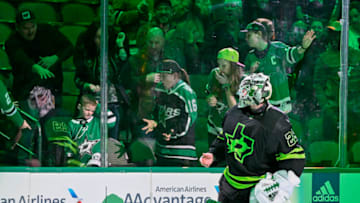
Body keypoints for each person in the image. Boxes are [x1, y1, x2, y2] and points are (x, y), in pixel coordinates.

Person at [200, 73, 306, 202]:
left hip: (259, 187)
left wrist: (281, 184)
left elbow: (294, 155)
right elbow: (225, 138)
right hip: (230, 185)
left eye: (249, 90)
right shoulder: (233, 113)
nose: (244, 94)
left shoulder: (277, 120)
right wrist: (214, 154)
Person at [5, 9, 73, 110]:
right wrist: (37, 68)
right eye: (25, 28)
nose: (30, 31)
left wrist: (55, 57)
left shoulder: (47, 31)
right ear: (17, 28)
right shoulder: (11, 41)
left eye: (33, 26)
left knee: (52, 121)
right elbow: (20, 58)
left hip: (52, 88)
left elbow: (69, 47)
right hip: (25, 90)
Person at [73, 22, 131, 140]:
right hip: (91, 103)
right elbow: (77, 79)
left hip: (112, 102)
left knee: (112, 139)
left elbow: (124, 62)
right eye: (98, 37)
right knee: (90, 140)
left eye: (105, 37)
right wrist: (88, 85)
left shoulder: (114, 53)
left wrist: (120, 45)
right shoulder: (86, 56)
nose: (102, 41)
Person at [243, 21, 316, 113]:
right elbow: (245, 83)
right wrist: (251, 72)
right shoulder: (250, 57)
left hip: (282, 104)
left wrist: (303, 47)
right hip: (262, 105)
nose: (246, 38)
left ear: (259, 34)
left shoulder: (277, 48)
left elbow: (293, 55)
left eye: (249, 35)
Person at [142, 59, 198, 166]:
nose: (161, 80)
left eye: (164, 76)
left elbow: (189, 119)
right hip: (162, 150)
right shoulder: (159, 89)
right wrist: (154, 122)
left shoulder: (186, 92)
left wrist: (173, 132)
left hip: (182, 152)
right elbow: (157, 112)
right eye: (160, 76)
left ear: (175, 76)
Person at [206, 48, 244, 148]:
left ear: (233, 66)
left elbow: (235, 109)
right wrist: (210, 98)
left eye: (224, 66)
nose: (220, 69)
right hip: (214, 126)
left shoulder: (243, 80)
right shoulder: (214, 73)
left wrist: (226, 86)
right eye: (219, 65)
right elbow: (208, 94)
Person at [68, 94, 117, 167]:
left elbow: (112, 120)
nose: (89, 113)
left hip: (99, 162)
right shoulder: (71, 124)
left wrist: (98, 106)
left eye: (92, 111)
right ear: (79, 107)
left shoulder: (97, 122)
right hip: (80, 163)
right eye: (87, 110)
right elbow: (68, 144)